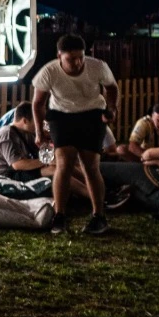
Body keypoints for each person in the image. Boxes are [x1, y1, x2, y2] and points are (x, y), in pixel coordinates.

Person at [31, 33, 119, 236]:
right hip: (61, 116)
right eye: (71, 59)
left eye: (81, 57)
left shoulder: (97, 66)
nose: (78, 62)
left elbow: (112, 88)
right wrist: (38, 132)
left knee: (91, 166)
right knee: (64, 164)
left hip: (92, 115)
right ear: (59, 55)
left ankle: (99, 216)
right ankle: (59, 215)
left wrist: (112, 109)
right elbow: (37, 104)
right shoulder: (49, 71)